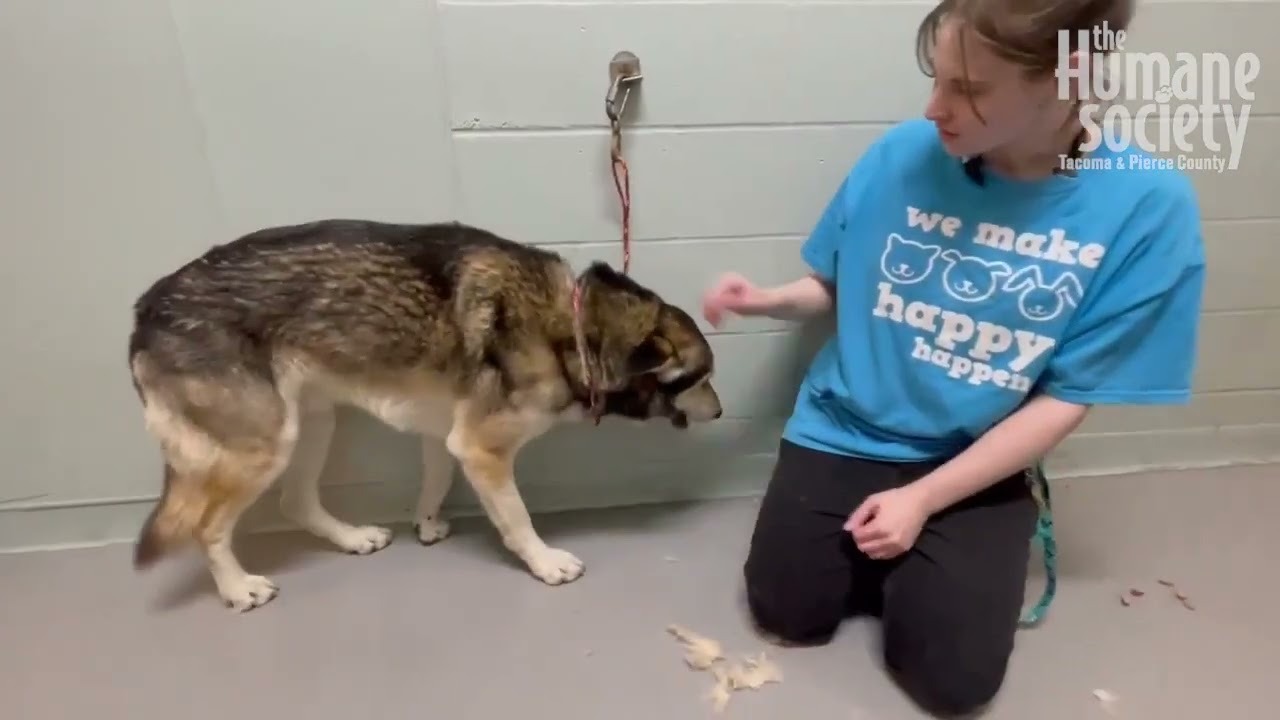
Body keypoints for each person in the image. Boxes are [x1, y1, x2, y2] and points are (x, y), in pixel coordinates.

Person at [701, 0, 1206, 715]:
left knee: (953, 685)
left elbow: (1067, 397)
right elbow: (835, 286)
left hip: (975, 456)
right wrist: (763, 299)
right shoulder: (902, 154)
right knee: (787, 616)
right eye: (936, 79)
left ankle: (939, 557)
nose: (935, 108)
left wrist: (924, 501)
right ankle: (900, 559)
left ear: (1071, 77)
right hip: (846, 426)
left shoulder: (1148, 207)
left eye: (969, 89)